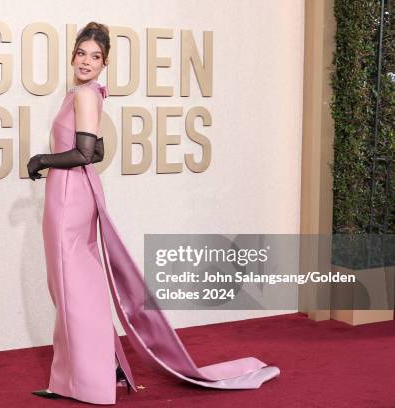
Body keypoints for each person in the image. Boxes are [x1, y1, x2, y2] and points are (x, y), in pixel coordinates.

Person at [27, 21, 280, 405]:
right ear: (74, 54)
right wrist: (70, 156)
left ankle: (86, 379)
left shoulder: (85, 95)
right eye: (81, 53)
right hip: (74, 192)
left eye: (95, 57)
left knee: (71, 287)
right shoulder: (84, 93)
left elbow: (82, 153)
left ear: (104, 63)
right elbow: (94, 151)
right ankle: (92, 371)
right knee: (74, 287)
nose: (86, 61)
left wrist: (40, 159)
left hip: (68, 196)